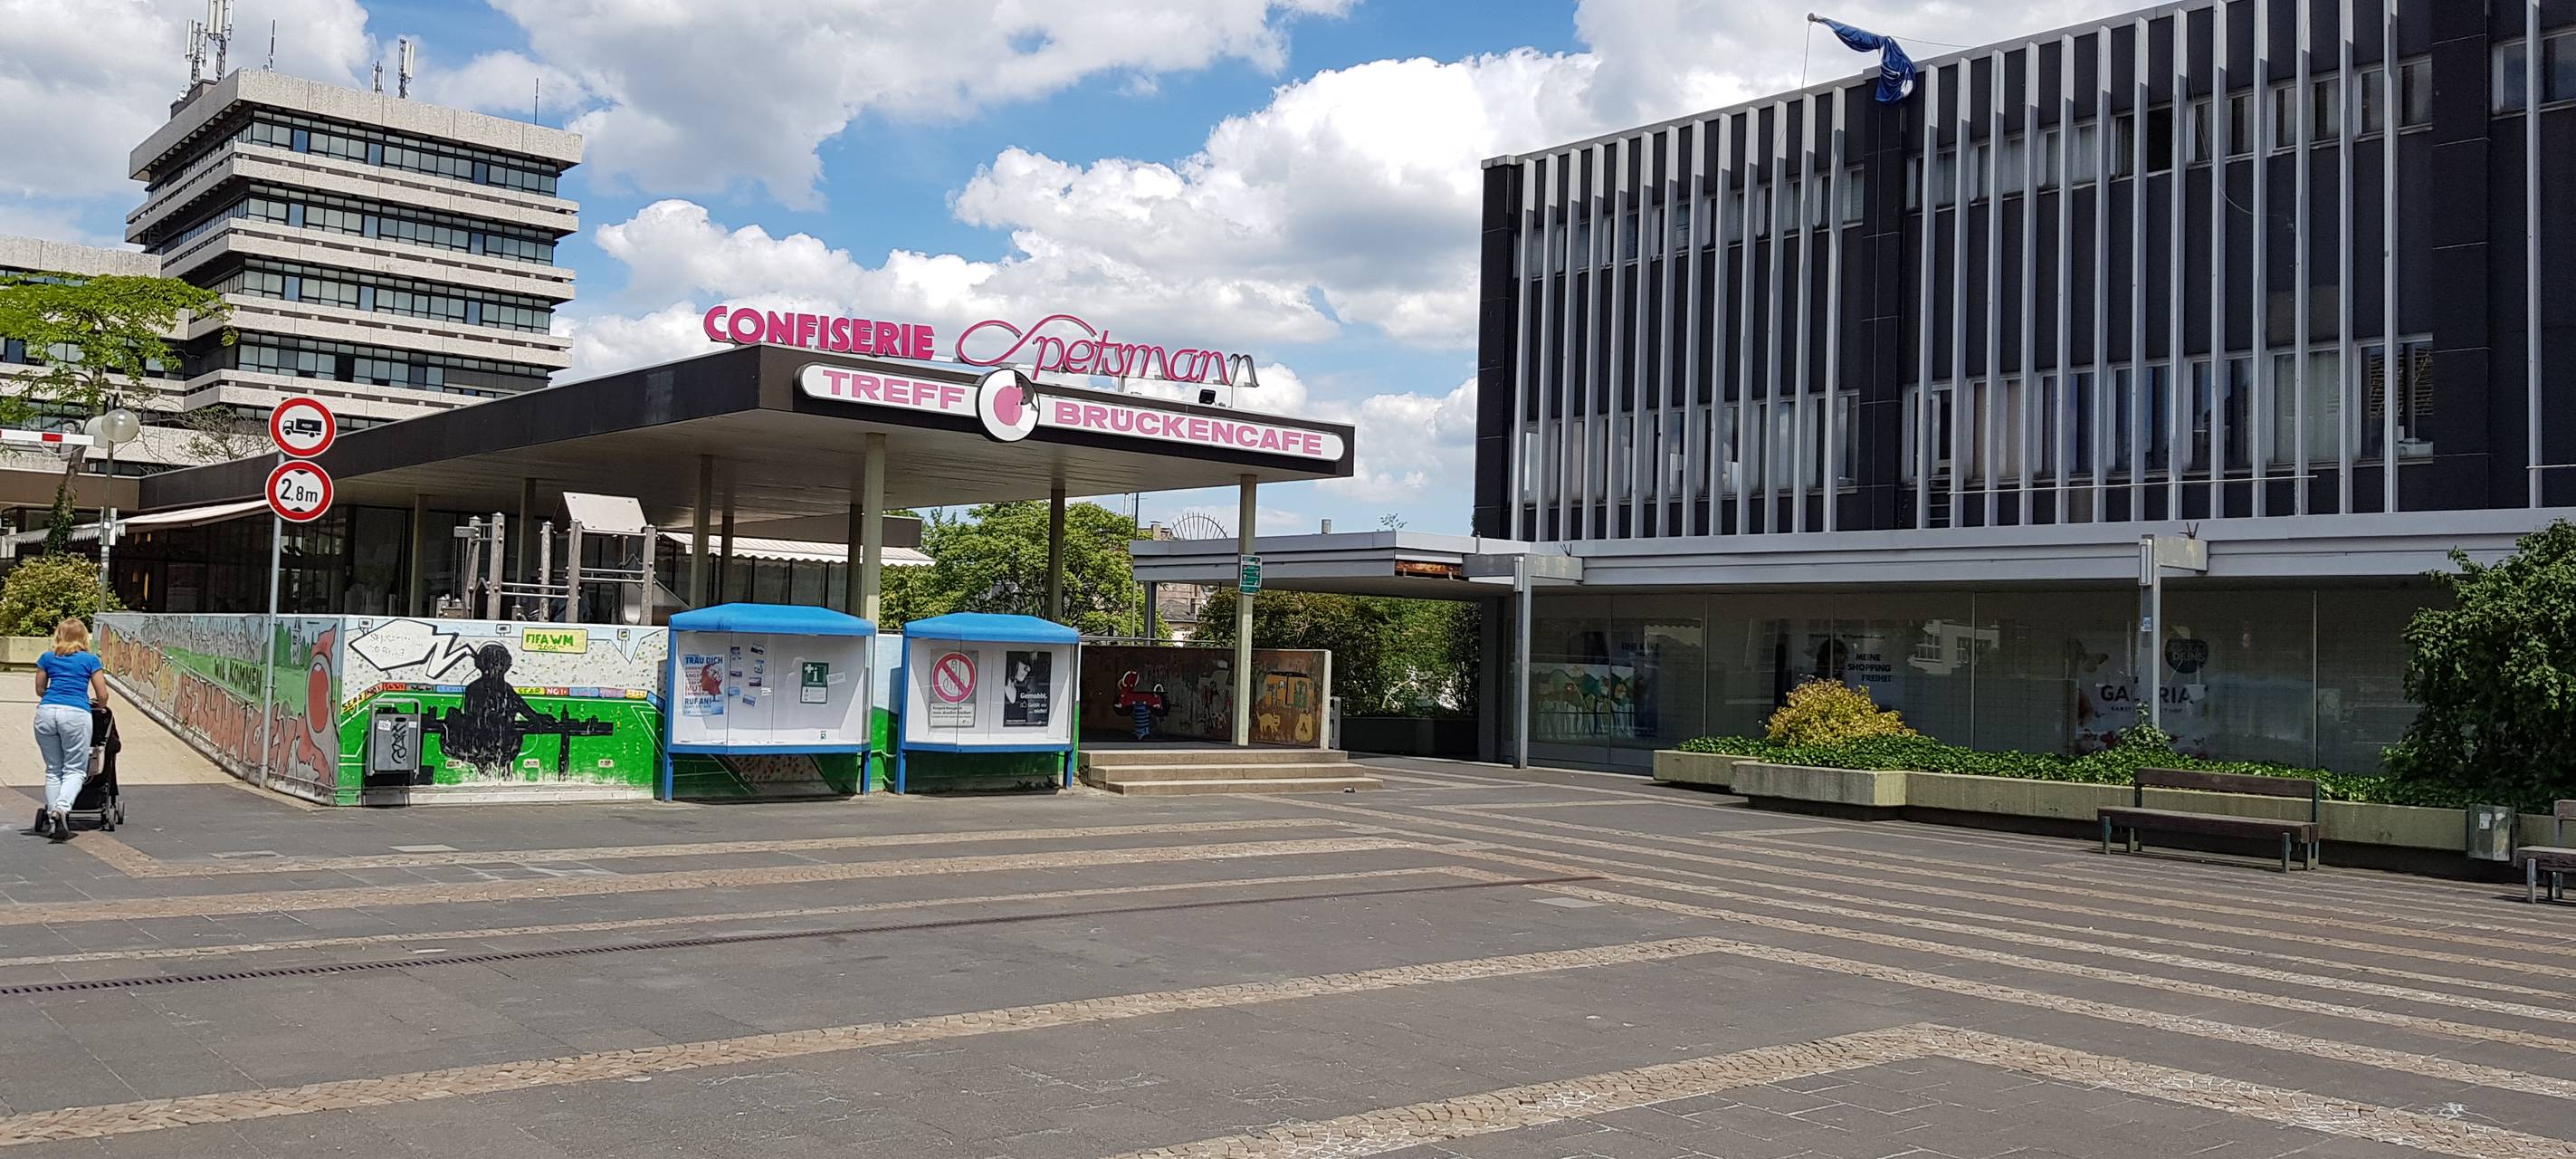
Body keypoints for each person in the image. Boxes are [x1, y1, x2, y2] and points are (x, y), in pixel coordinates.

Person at [31, 617, 107, 839]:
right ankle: (62, 809)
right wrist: (100, 706)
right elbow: (102, 694)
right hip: (75, 714)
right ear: (83, 637)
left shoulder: (47, 658)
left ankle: (53, 817)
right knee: (75, 768)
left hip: (46, 713)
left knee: (54, 768)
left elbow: (39, 689)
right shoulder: (90, 660)